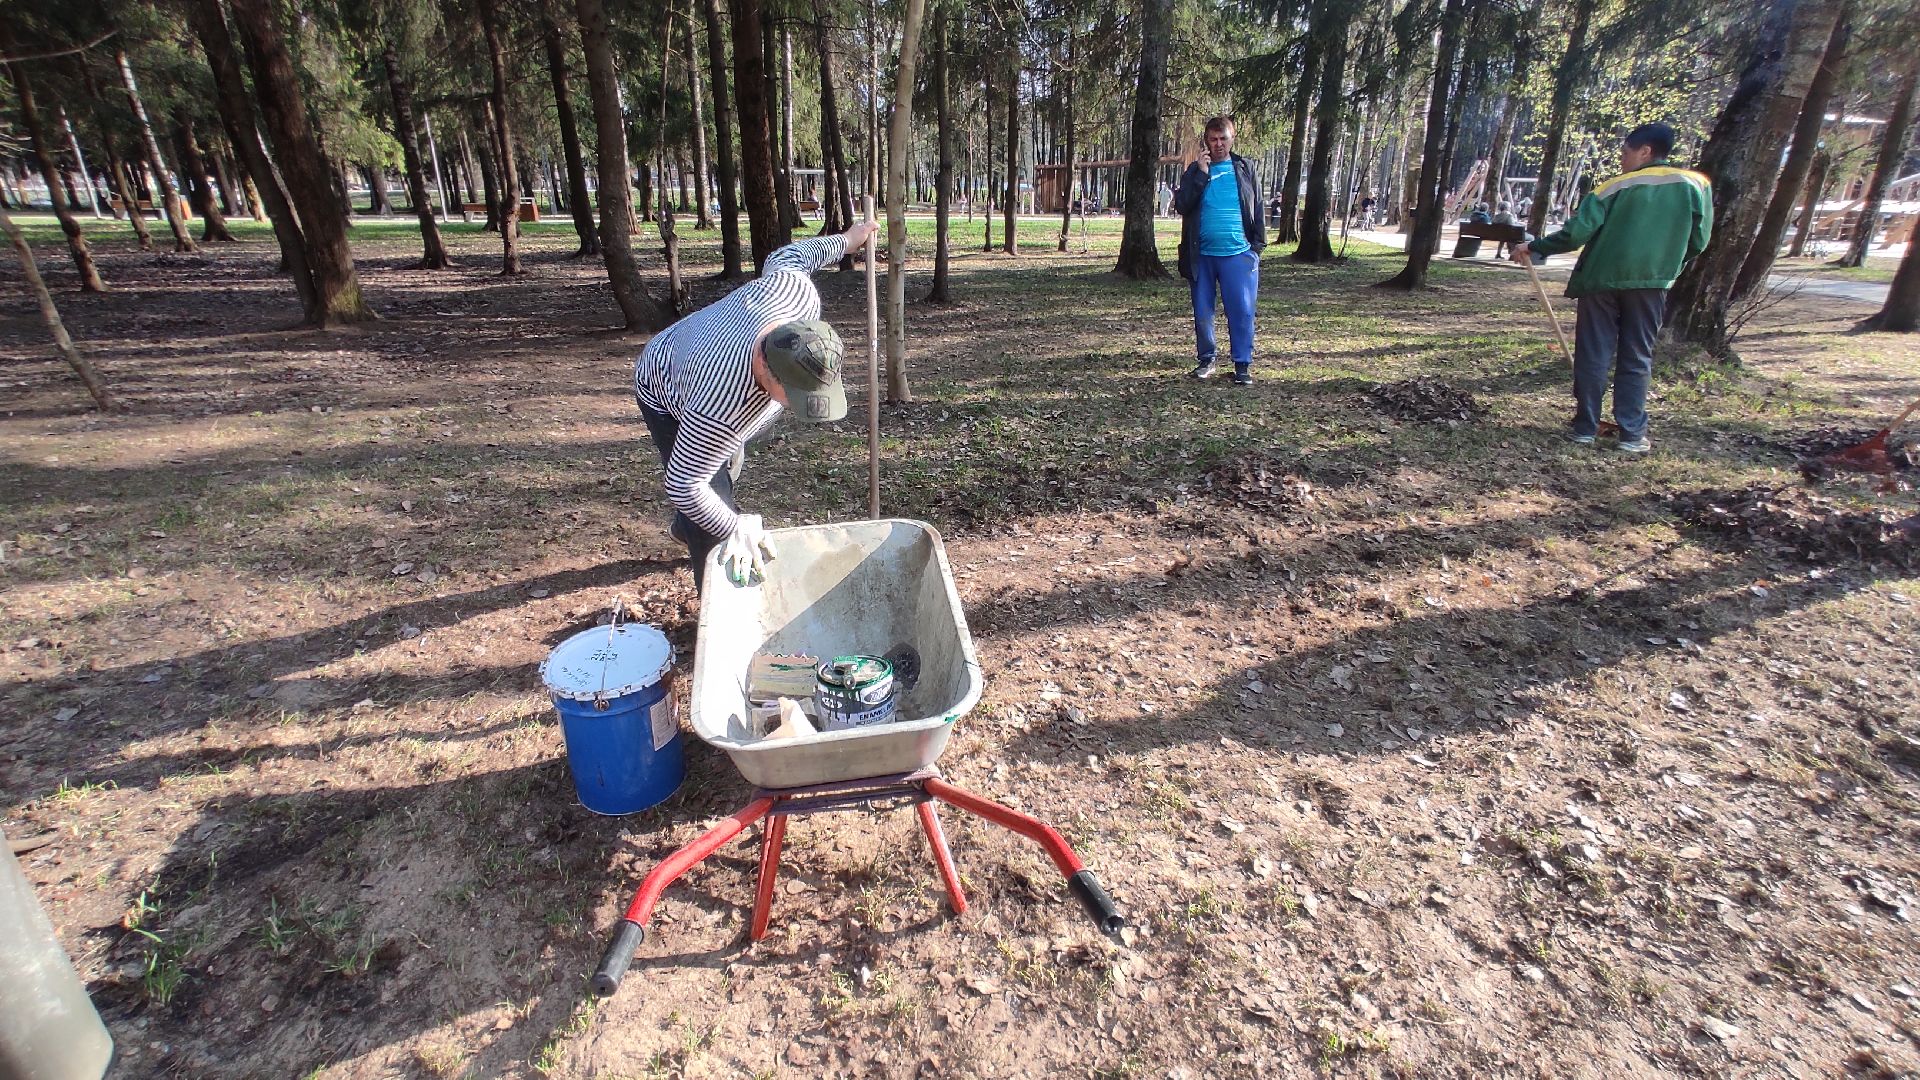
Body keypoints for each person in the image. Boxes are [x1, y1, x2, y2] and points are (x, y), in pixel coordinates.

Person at [634, 219, 880, 587]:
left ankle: (689, 523)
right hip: (664, 384)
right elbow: (685, 483)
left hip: (703, 357)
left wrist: (846, 241)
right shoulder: (720, 404)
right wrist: (734, 524)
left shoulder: (795, 295)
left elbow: (789, 256)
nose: (801, 409)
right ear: (764, 367)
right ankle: (715, 616)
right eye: (794, 396)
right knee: (712, 512)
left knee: (725, 462)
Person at [1511, 122, 1711, 454]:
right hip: (1651, 282)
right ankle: (1632, 435)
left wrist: (1536, 247)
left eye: (1625, 152)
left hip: (1600, 280)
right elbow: (1699, 240)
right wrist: (1668, 266)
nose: (1622, 159)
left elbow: (1577, 233)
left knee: (1594, 352)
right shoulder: (1695, 185)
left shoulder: (1611, 188)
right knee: (1637, 355)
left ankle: (1585, 428)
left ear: (1645, 151)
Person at [1175, 116, 1266, 386]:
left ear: (1232, 139)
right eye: (1213, 139)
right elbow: (1183, 205)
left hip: (1238, 254)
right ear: (1206, 141)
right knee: (1203, 311)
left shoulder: (1244, 168)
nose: (1218, 145)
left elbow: (1257, 207)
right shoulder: (1195, 171)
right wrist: (1201, 175)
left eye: (1223, 139)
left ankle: (1242, 364)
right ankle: (1207, 359)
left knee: (1242, 311)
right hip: (1201, 255)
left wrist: (1256, 248)